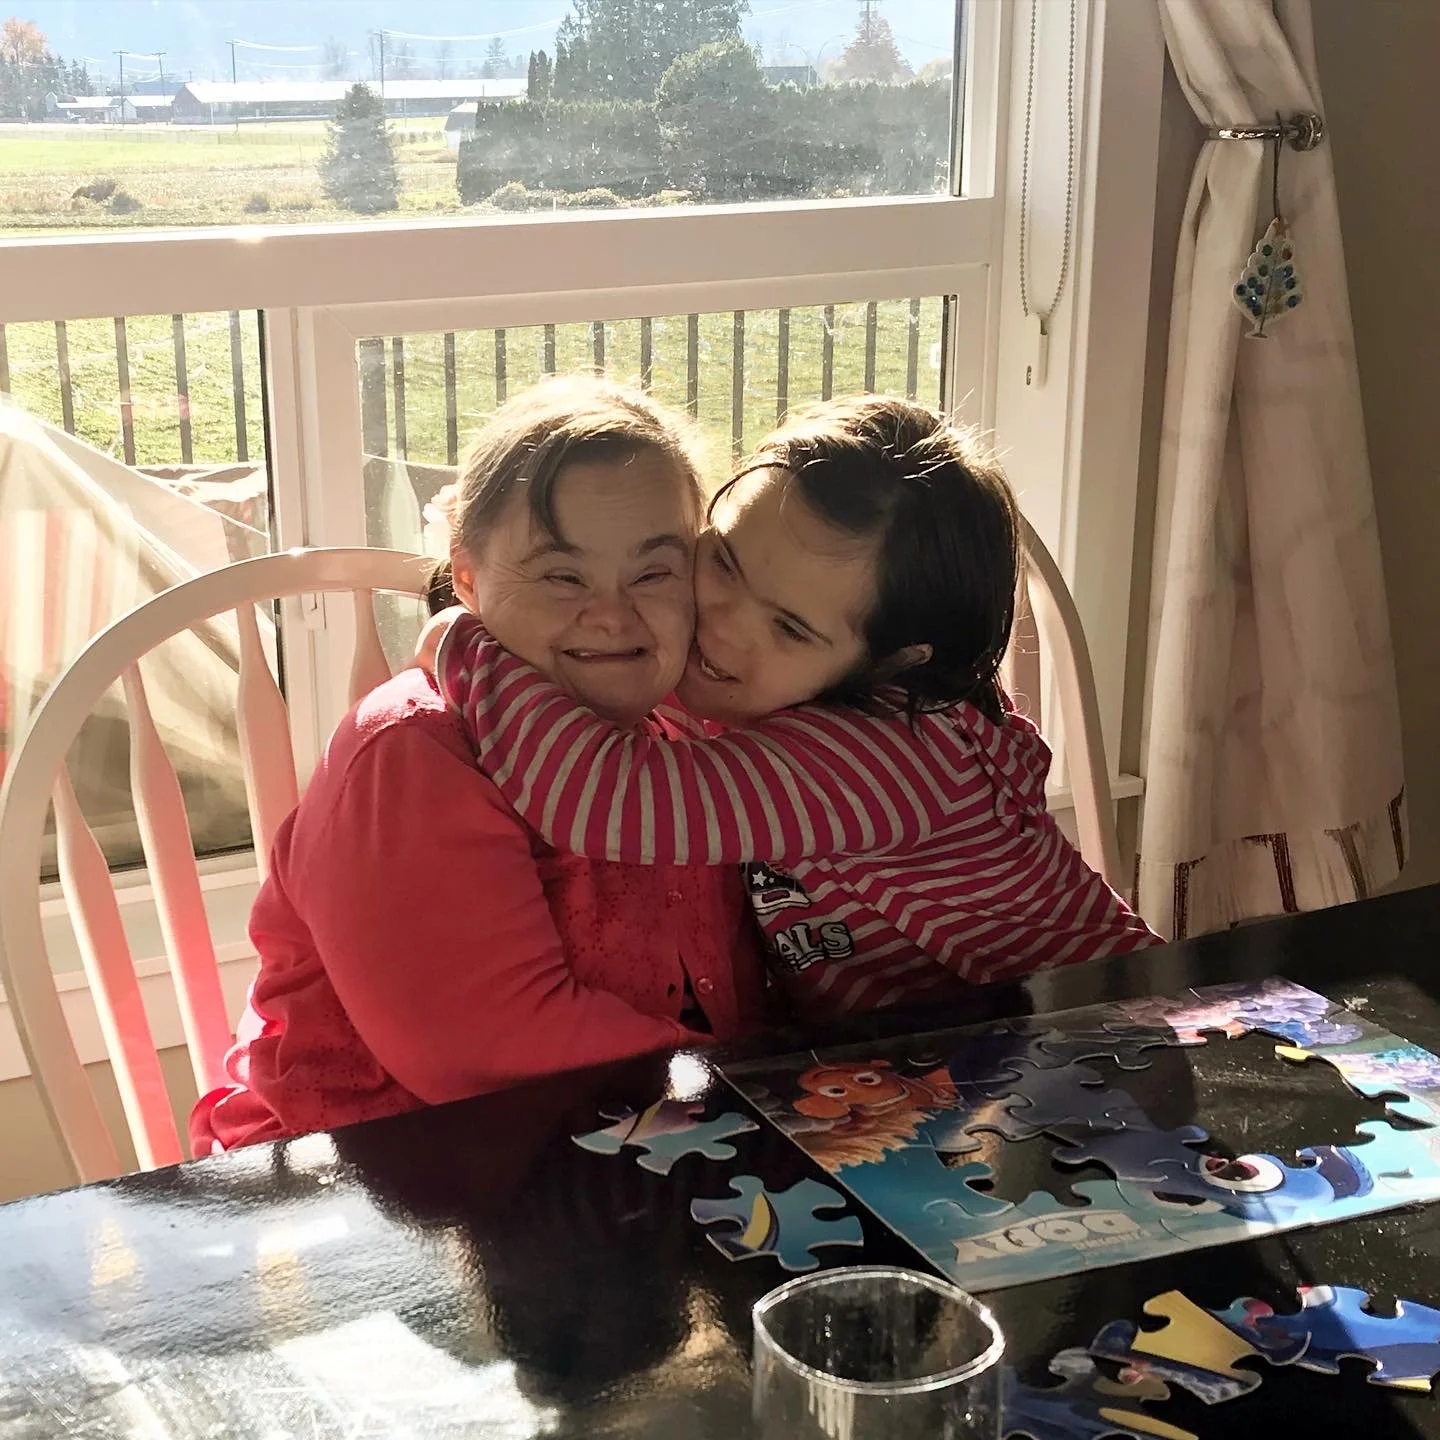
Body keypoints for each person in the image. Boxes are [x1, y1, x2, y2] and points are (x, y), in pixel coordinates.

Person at [432, 396, 1160, 1023]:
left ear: (893, 663)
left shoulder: (880, 754)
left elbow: (605, 798)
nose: (721, 625)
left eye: (788, 627)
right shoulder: (770, 683)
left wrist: (467, 638)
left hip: (1105, 1036)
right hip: (959, 1065)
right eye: (723, 561)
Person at [190, 378, 767, 1154]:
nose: (611, 614)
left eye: (654, 573)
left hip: (631, 1143)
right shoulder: (409, 752)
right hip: (365, 1172)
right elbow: (491, 1053)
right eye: (562, 575)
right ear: (467, 578)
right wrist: (758, 1094)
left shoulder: (686, 737)